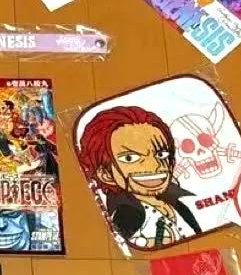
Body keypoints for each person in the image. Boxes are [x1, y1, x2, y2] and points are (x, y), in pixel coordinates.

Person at [77, 105, 200, 248]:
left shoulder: (178, 205)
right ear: (106, 174)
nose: (154, 165)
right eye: (130, 158)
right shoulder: (126, 217)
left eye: (160, 154)